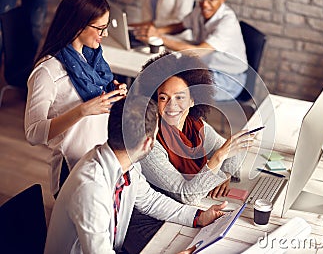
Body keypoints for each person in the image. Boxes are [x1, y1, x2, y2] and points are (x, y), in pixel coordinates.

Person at [44, 95, 227, 254]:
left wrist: (198, 216)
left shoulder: (124, 163)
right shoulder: (90, 188)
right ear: (148, 143)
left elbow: (150, 200)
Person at [24, 0, 127, 197]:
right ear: (79, 26)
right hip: (72, 168)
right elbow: (33, 133)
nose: (105, 35)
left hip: (103, 162)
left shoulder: (93, 60)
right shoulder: (46, 72)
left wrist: (113, 94)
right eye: (100, 28)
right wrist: (82, 110)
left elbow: (100, 109)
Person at [135, 50, 254, 205]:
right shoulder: (150, 143)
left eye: (180, 97)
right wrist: (218, 158)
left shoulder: (194, 125)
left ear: (193, 100)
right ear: (155, 101)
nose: (172, 105)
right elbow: (186, 195)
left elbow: (231, 151)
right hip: (160, 217)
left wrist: (224, 174)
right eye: (163, 98)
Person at [134, 0, 248, 101]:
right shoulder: (200, 9)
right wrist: (157, 31)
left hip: (229, 79)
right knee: (166, 79)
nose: (205, 4)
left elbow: (197, 52)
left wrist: (160, 38)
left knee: (175, 86)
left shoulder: (227, 22)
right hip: (206, 69)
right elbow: (180, 26)